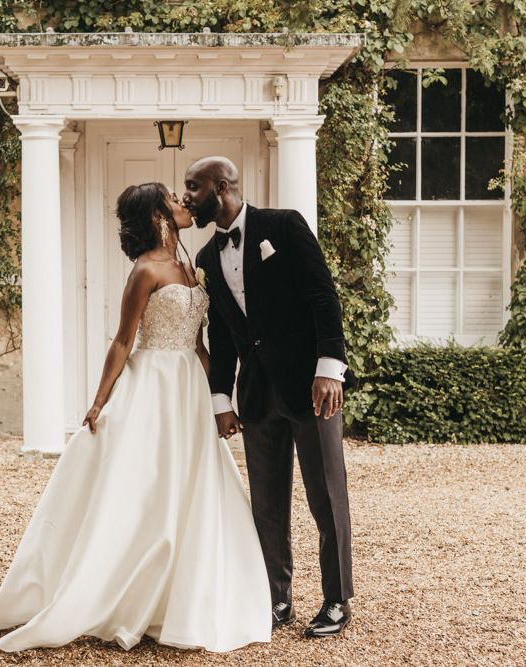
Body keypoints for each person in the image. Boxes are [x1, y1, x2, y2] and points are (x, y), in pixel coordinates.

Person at [0, 183, 271, 653]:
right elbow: (122, 341)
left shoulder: (191, 265)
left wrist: (220, 398)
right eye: (175, 199)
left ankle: (185, 594)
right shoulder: (145, 272)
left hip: (189, 387)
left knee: (194, 485)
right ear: (158, 215)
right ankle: (124, 591)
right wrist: (98, 402)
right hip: (152, 383)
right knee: (145, 487)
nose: (184, 204)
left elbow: (198, 344)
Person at [185, 157, 355, 639]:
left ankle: (337, 600)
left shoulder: (283, 226)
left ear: (222, 187)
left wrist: (329, 368)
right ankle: (276, 598)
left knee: (326, 496)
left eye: (193, 188)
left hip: (310, 386)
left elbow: (324, 297)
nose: (187, 198)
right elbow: (221, 333)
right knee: (266, 506)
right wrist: (221, 398)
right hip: (257, 397)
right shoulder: (204, 260)